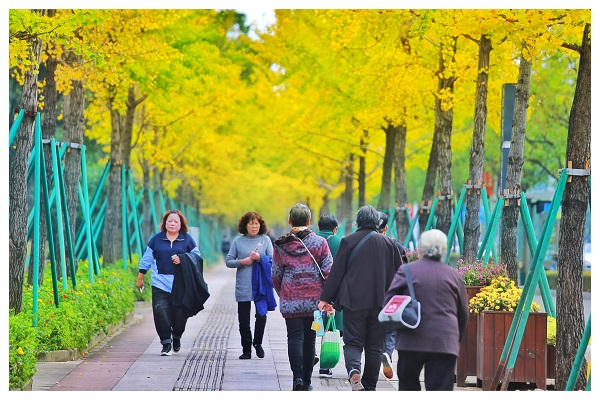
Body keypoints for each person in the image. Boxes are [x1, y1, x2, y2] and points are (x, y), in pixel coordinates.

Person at [318, 205, 402, 391]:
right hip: (380, 303)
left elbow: (337, 272)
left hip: (353, 302)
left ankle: (354, 371)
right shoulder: (389, 244)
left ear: (358, 221)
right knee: (375, 346)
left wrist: (326, 298)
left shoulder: (348, 241)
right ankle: (370, 386)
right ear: (376, 222)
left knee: (353, 342)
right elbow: (400, 275)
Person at [384, 229, 469, 391]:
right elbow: (463, 312)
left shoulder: (406, 271)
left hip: (411, 339)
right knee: (440, 388)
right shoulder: (453, 276)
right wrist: (456, 338)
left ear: (420, 249)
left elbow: (389, 303)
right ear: (444, 250)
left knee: (408, 385)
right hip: (444, 340)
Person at [272, 203, 333, 391]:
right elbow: (329, 271)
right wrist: (328, 299)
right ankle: (307, 381)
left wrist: (283, 293)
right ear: (309, 221)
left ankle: (297, 378)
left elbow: (276, 274)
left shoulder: (281, 245)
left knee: (294, 338)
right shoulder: (320, 243)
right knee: (310, 339)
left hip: (291, 299)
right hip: (315, 301)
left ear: (290, 221)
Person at [136, 209, 204, 356]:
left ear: (181, 224)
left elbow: (197, 257)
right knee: (161, 313)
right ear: (164, 223)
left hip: (181, 284)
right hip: (159, 283)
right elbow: (147, 259)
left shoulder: (187, 239)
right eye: (169, 221)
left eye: (175, 221)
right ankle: (166, 343)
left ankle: (177, 336)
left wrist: (183, 258)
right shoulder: (156, 239)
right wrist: (140, 277)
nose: (172, 223)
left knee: (180, 316)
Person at [226, 211, 274, 359]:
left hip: (261, 285)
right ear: (245, 225)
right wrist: (243, 262)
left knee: (261, 316)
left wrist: (260, 258)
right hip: (244, 285)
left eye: (257, 223)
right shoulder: (237, 241)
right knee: (244, 320)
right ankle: (246, 349)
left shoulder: (265, 240)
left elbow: (273, 261)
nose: (254, 226)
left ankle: (257, 343)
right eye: (251, 223)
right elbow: (228, 261)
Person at [376, 211, 409, 380]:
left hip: (370, 295)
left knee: (373, 329)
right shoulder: (397, 246)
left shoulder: (365, 244)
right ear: (386, 227)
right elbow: (404, 272)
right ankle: (387, 353)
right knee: (391, 328)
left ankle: (373, 360)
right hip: (391, 295)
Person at [314, 213, 343, 377]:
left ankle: (311, 354)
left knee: (312, 325)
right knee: (329, 327)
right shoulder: (340, 242)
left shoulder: (310, 240)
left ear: (318, 227)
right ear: (335, 228)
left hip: (311, 292)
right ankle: (325, 366)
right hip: (333, 293)